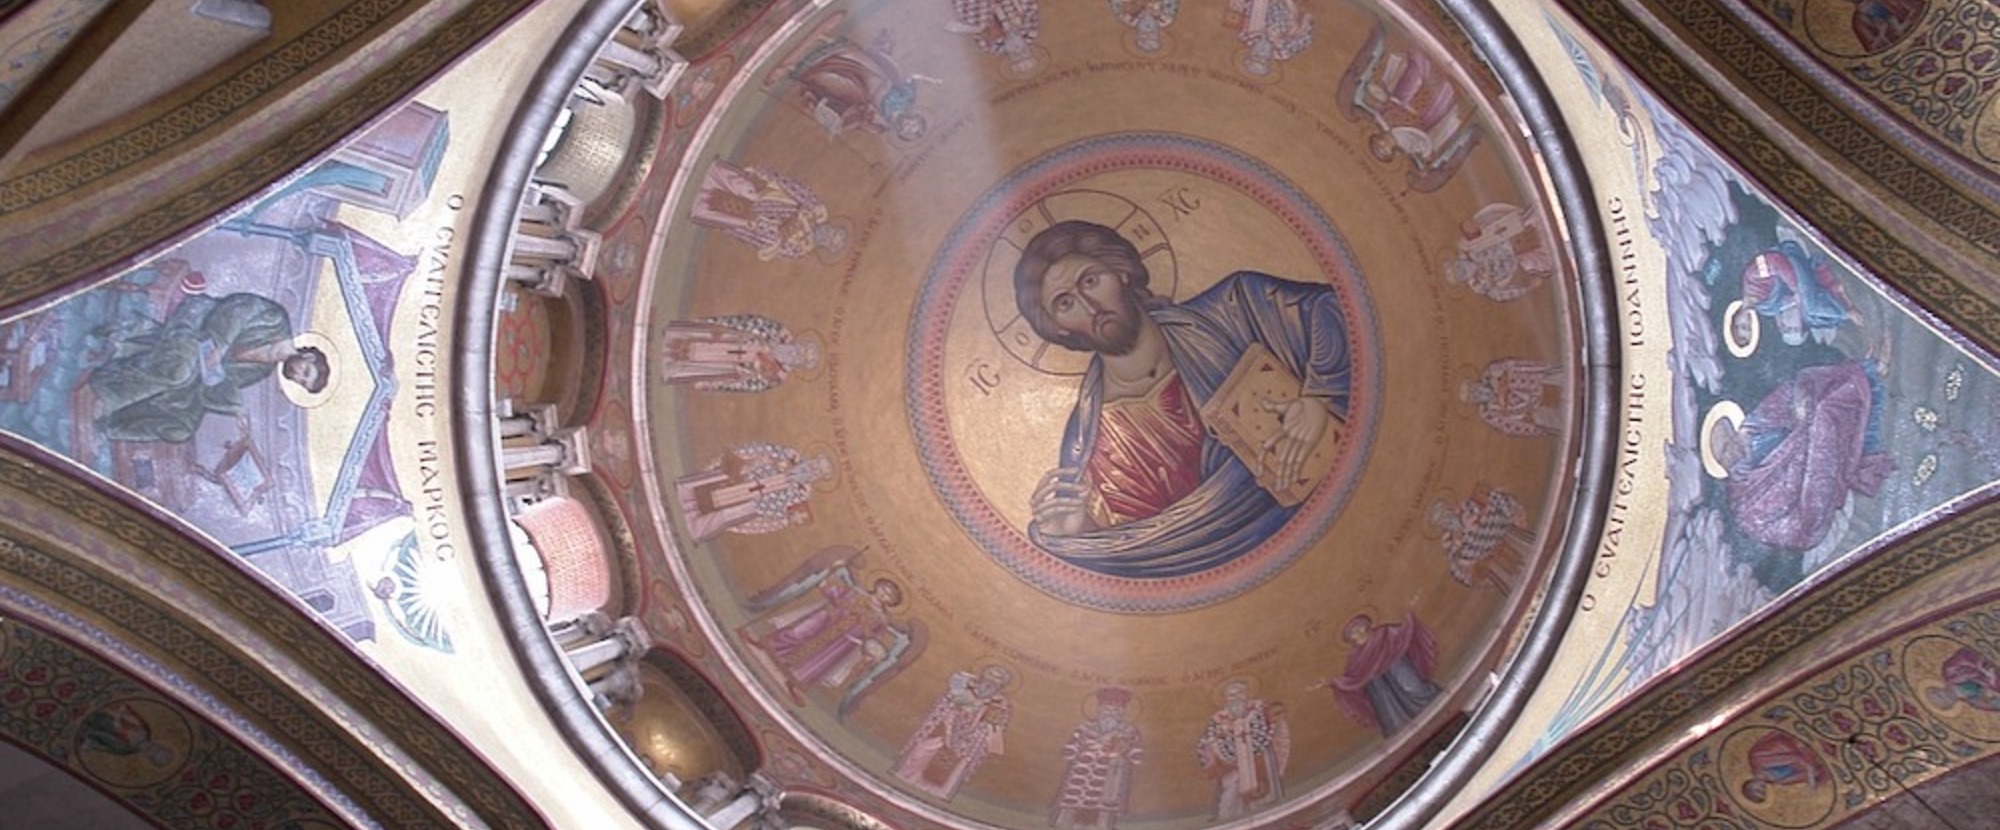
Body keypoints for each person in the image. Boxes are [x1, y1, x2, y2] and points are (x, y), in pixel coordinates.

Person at [1014, 220, 1352, 578]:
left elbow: (1334, 309)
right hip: (1246, 583)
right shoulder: (1092, 446)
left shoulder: (1237, 309)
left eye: (1091, 281)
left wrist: (1320, 395)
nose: (1090, 306)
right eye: (1065, 303)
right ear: (1059, 327)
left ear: (1121, 272)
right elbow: (1145, 554)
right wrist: (1079, 534)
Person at [88, 292, 328, 444]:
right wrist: (219, 347)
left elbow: (217, 383)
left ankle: (109, 428)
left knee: (182, 429)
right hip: (197, 322)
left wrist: (236, 409)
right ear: (308, 355)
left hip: (197, 365)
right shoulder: (275, 320)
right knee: (179, 372)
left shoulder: (261, 371)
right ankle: (107, 391)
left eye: (301, 382)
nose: (297, 377)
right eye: (306, 372)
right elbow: (236, 309)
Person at [1707, 360, 1893, 552]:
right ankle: (1870, 380)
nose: (1731, 449)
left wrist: (1798, 402)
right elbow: (1794, 520)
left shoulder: (1751, 429)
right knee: (1827, 412)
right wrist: (1810, 445)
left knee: (1813, 386)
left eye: (1729, 438)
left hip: (1808, 448)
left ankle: (1870, 371)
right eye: (1723, 452)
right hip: (1807, 505)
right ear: (1718, 464)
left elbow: (1779, 402)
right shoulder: (1743, 495)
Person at [894, 665, 1013, 801]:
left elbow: (997, 728)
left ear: (1001, 686)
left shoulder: (1001, 705)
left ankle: (939, 792)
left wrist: (985, 725)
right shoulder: (964, 688)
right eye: (989, 677)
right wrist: (957, 709)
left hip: (969, 741)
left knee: (958, 765)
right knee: (924, 748)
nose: (989, 684)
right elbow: (946, 703)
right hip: (945, 729)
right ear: (982, 676)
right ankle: (907, 775)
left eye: (996, 681)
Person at [690, 161, 846, 261]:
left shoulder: (800, 248)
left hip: (757, 222)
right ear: (832, 225)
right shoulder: (817, 210)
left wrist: (781, 230)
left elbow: (772, 244)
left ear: (824, 245)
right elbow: (796, 189)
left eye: (829, 239)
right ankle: (713, 174)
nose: (827, 234)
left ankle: (699, 201)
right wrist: (769, 179)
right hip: (766, 197)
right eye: (833, 232)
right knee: (744, 188)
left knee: (734, 216)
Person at [674, 443, 833, 540]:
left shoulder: (802, 493)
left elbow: (785, 516)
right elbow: (759, 449)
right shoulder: (788, 455)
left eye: (817, 472)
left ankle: (696, 525)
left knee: (727, 514)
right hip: (748, 478)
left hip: (756, 503)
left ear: (816, 478)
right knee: (718, 482)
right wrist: (763, 461)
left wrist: (773, 512)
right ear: (810, 460)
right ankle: (686, 493)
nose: (811, 470)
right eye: (814, 465)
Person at [1322, 612, 1441, 738]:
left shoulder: (1383, 633)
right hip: (1378, 685)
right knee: (1388, 709)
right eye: (1353, 633)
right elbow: (1353, 678)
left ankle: (1432, 701)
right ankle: (1400, 732)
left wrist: (1409, 620)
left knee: (1412, 686)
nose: (1358, 634)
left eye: (1358, 628)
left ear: (1366, 626)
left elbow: (1402, 634)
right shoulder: (1356, 656)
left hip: (1396, 663)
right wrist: (1334, 682)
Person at [1194, 679, 1289, 819]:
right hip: (1232, 765)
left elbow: (1274, 724)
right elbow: (1208, 741)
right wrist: (1218, 751)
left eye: (1239, 693)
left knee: (1263, 793)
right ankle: (1228, 818)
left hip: (1258, 762)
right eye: (1231, 695)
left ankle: (1266, 814)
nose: (1236, 698)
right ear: (1225, 699)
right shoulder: (1219, 719)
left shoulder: (1259, 709)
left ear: (1246, 694)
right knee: (1230, 791)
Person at [1052, 688, 1144, 830]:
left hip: (1111, 776)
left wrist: (1123, 749)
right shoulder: (1085, 728)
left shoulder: (1129, 731)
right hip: (1081, 777)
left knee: (1105, 807)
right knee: (1072, 803)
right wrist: (1085, 749)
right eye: (1107, 709)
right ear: (1099, 709)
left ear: (1122, 712)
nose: (1111, 713)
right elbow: (1069, 751)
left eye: (1116, 710)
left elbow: (1136, 758)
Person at [659, 314, 818, 392]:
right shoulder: (780, 332)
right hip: (733, 339)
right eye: (800, 350)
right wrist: (756, 338)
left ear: (798, 364)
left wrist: (755, 368)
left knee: (705, 362)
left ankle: (673, 365)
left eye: (800, 358)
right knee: (705, 339)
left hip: (730, 365)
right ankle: (673, 338)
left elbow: (750, 385)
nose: (794, 354)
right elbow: (752, 322)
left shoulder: (778, 376)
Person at [1430, 489, 1530, 593]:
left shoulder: (1473, 508)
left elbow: (1501, 502)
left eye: (1447, 514)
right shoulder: (1456, 547)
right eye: (1444, 520)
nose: (1449, 519)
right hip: (1508, 572)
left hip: (1519, 545)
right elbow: (1464, 575)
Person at [1461, 359, 1563, 437]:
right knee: (1552, 420)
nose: (1478, 393)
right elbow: (1513, 427)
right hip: (1538, 412)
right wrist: (1531, 422)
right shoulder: (1488, 413)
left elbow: (1516, 366)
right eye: (1472, 396)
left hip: (1545, 381)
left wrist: (1503, 385)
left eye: (1473, 388)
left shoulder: (1492, 371)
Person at [1738, 730, 1827, 804]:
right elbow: (1806, 775)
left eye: (1757, 790)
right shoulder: (1780, 781)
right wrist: (1813, 781)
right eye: (1763, 792)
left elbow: (1788, 752)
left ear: (1750, 785)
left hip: (1795, 743)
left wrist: (1809, 771)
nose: (1762, 788)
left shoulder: (1757, 760)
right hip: (1809, 757)